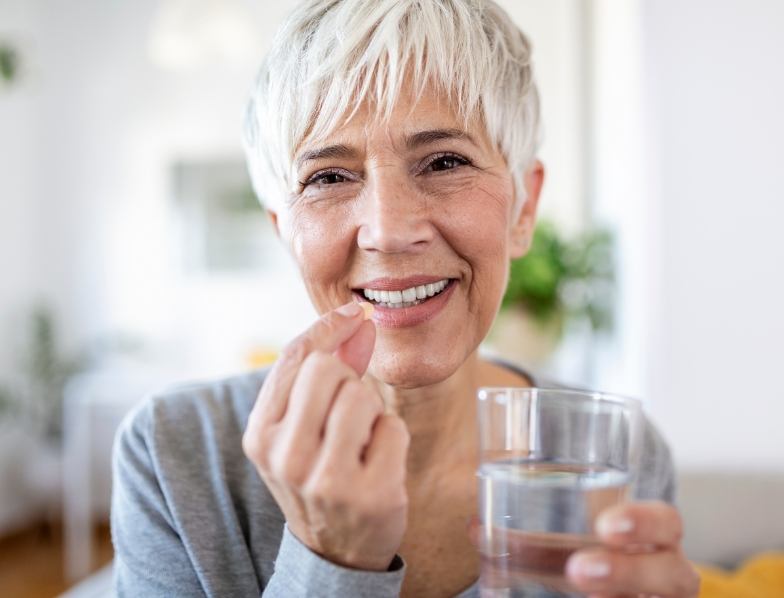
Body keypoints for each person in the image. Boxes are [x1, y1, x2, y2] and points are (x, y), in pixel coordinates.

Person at [111, 0, 701, 596]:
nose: (388, 230)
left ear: (524, 209)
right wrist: (331, 560)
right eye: (328, 177)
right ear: (283, 229)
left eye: (445, 162)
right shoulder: (172, 453)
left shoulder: (612, 451)